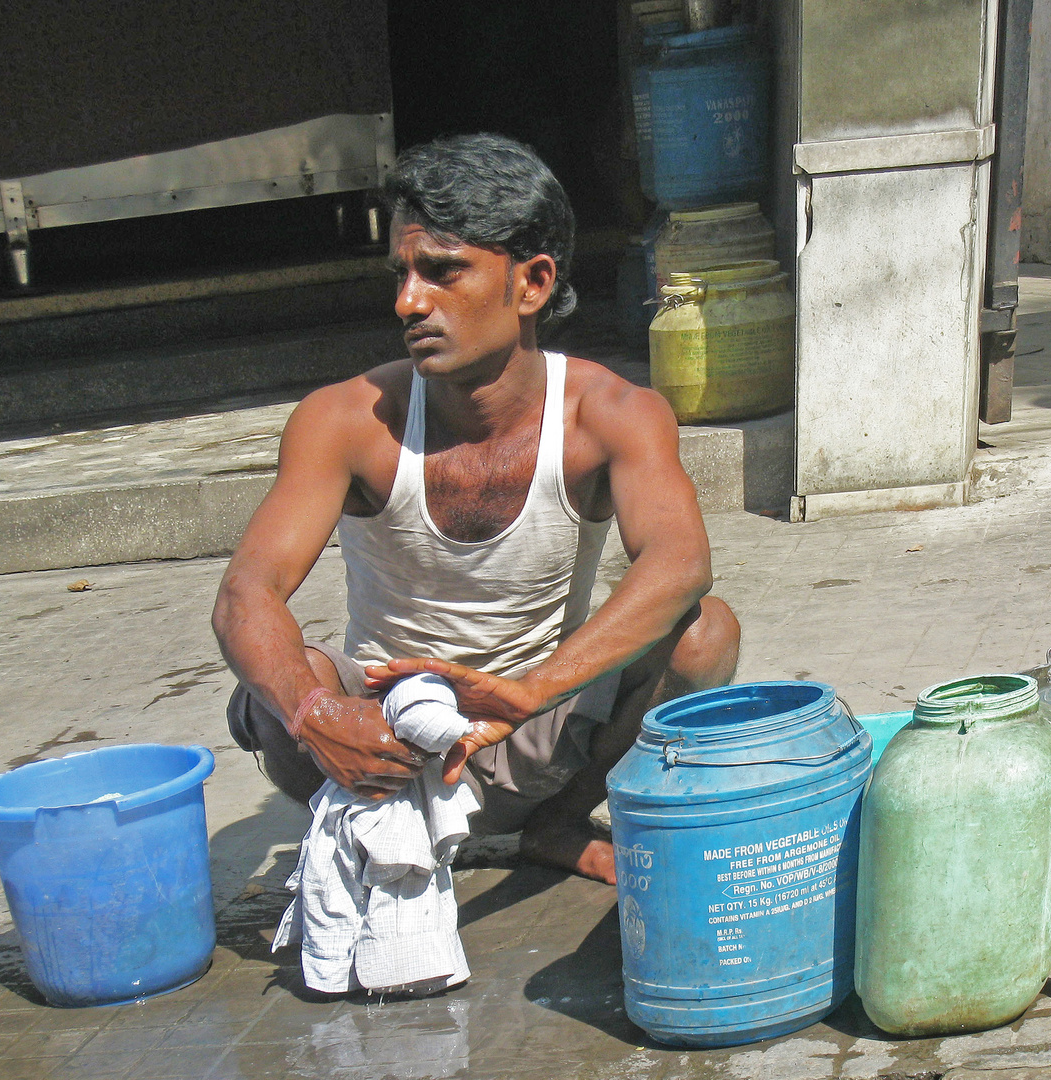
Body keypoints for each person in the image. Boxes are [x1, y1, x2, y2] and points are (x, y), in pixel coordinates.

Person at [212, 133, 740, 886]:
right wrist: (316, 715)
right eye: (400, 273)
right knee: (271, 684)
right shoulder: (345, 419)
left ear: (531, 285)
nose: (407, 301)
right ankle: (369, 828)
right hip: (383, 743)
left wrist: (534, 689)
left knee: (705, 632)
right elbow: (245, 593)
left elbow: (681, 562)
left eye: (442, 271)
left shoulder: (614, 413)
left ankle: (558, 825)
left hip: (533, 738)